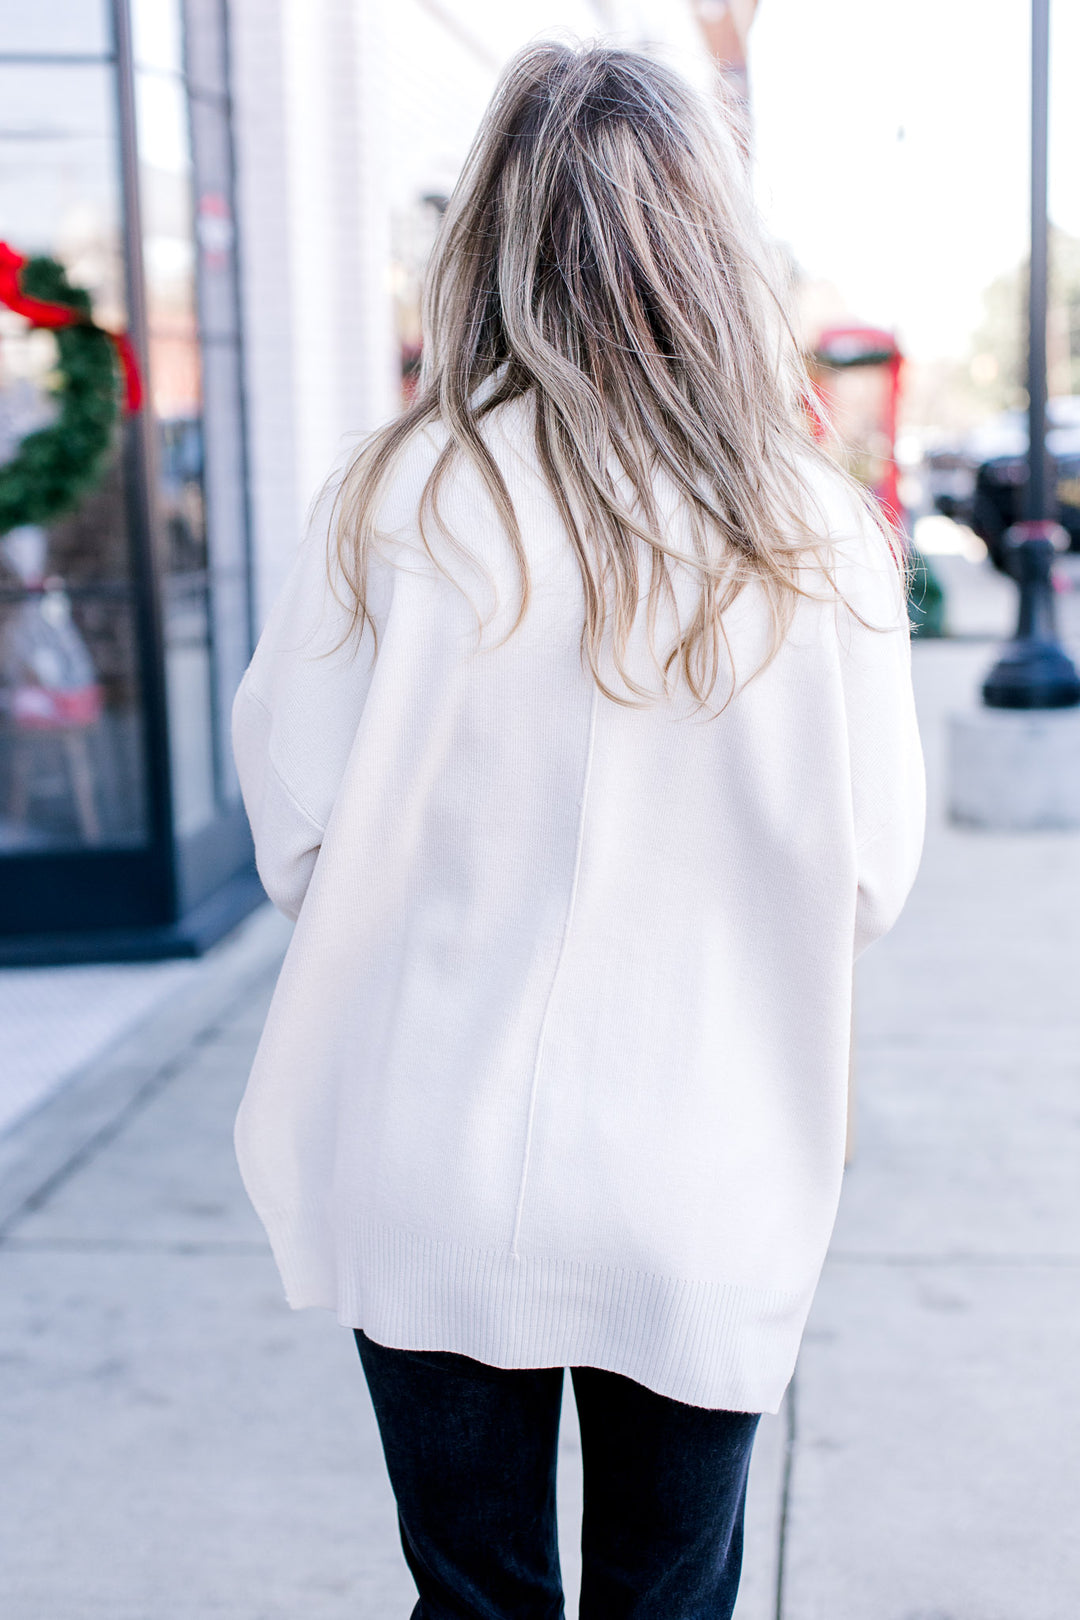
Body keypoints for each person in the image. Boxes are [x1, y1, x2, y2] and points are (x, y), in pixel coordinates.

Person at [231, 41, 925, 1620]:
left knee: (470, 1601)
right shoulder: (816, 533)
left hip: (429, 1149)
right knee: (669, 1604)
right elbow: (869, 873)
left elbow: (295, 836)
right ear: (712, 249)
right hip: (707, 1166)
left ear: (488, 241)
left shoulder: (392, 501)